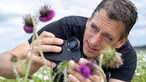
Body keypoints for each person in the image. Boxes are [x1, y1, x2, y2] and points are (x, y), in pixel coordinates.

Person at [0, 0, 138, 81]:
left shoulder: (126, 56)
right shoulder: (66, 28)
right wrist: (25, 66)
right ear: (89, 20)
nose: (94, 41)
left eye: (107, 36)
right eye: (94, 27)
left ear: (121, 41)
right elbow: (4, 60)